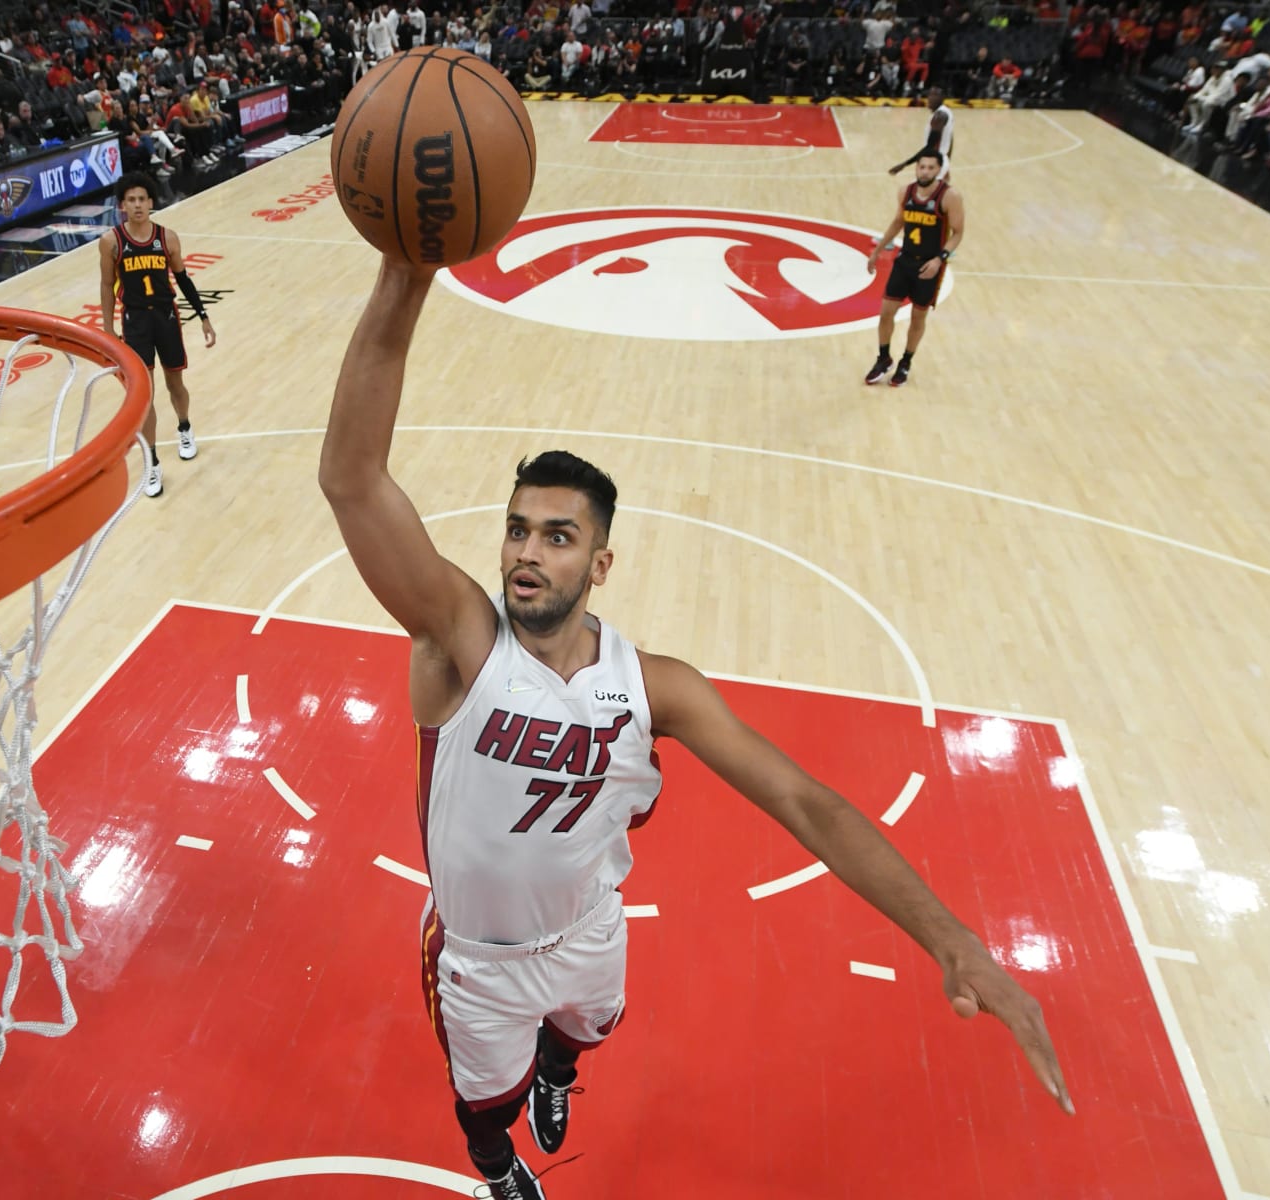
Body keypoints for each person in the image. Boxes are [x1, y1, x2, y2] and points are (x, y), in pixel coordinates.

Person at [317, 255, 1066, 1199]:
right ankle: (502, 1167)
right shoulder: (457, 642)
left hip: (590, 927)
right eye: (517, 529)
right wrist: (407, 272)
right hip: (481, 955)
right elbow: (351, 478)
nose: (527, 554)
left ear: (601, 561)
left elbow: (806, 801)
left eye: (558, 536)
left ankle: (559, 1073)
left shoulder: (656, 688)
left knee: (586, 1035)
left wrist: (954, 941)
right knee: (481, 1107)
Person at [95, 174, 216, 499]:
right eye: (131, 200)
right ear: (122, 206)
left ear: (151, 202)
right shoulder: (111, 242)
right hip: (135, 323)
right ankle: (152, 462)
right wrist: (108, 330)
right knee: (144, 395)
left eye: (142, 199)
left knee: (175, 384)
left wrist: (203, 316)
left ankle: (185, 428)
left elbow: (183, 279)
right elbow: (107, 286)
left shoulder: (168, 238)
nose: (137, 205)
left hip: (166, 319)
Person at [864, 150, 965, 387]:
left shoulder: (950, 196)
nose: (925, 171)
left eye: (931, 168)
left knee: (917, 317)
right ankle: (883, 358)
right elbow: (899, 221)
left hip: (929, 265)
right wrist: (877, 250)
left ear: (939, 171)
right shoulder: (905, 192)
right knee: (885, 312)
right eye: (922, 167)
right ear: (916, 168)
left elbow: (958, 233)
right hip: (905, 259)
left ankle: (906, 361)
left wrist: (939, 259)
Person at [888, 86, 955, 181]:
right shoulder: (946, 112)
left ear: (942, 97)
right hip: (939, 161)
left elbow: (930, 146)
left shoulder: (939, 116)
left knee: (916, 193)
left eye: (934, 95)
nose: (929, 98)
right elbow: (950, 139)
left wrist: (904, 164)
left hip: (935, 162)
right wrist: (946, 162)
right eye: (929, 95)